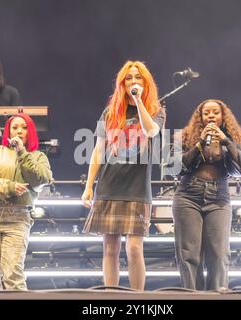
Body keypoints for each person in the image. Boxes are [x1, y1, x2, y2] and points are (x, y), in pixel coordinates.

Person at [81, 61, 166, 290]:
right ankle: (111, 297)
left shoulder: (155, 110)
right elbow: (98, 150)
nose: (133, 82)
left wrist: (138, 101)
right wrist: (89, 185)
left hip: (137, 189)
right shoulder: (110, 112)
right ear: (122, 83)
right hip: (109, 185)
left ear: (145, 82)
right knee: (110, 248)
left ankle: (137, 299)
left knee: (135, 249)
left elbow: (151, 131)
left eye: (138, 78)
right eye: (129, 78)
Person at [171, 99, 241, 291]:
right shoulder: (184, 136)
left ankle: (217, 295)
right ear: (200, 117)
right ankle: (192, 296)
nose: (211, 116)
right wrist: (199, 143)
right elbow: (172, 168)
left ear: (223, 116)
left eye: (215, 112)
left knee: (219, 254)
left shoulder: (232, 138)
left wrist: (225, 140)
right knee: (189, 254)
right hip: (188, 196)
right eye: (206, 113)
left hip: (219, 197)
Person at [0, 113, 52, 290]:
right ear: (8, 131)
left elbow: (40, 179)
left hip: (18, 217)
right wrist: (9, 187)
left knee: (14, 276)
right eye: (15, 127)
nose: (19, 131)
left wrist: (22, 153)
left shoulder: (38, 157)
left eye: (24, 127)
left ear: (30, 132)